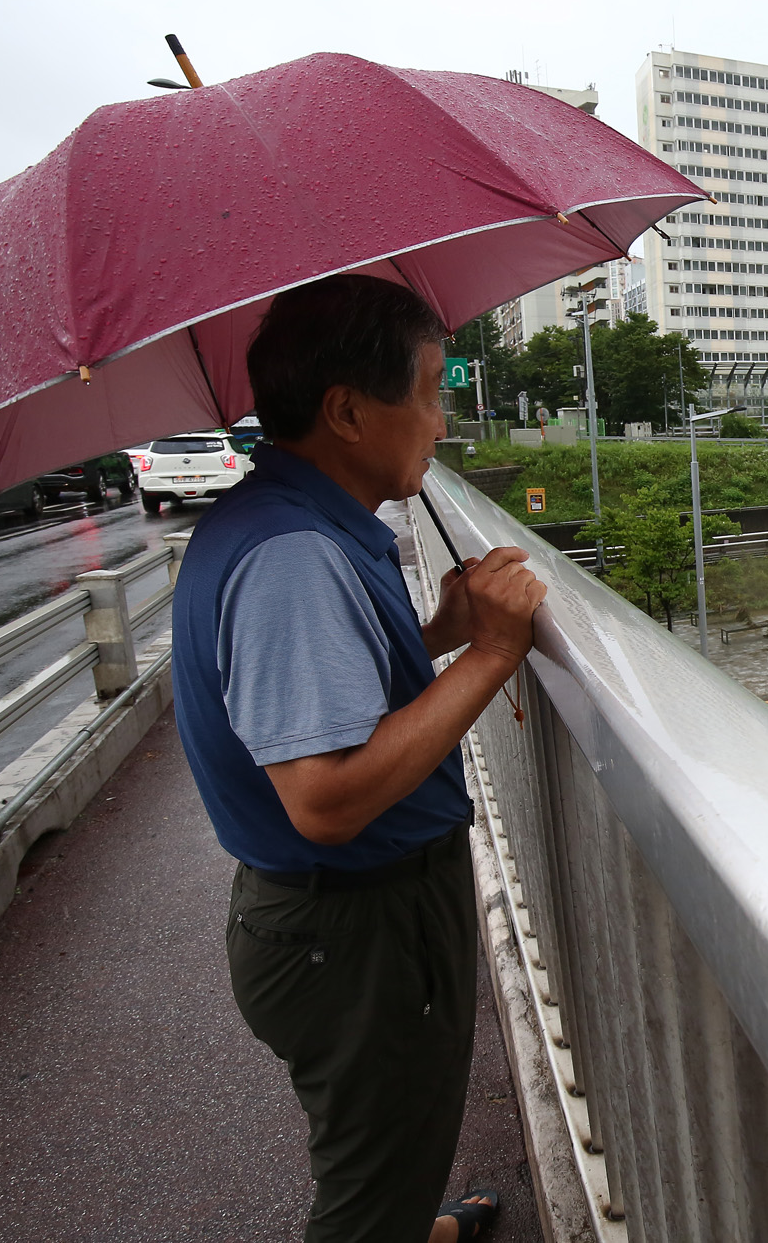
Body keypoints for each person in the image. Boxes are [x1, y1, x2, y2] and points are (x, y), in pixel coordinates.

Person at [172, 275, 547, 1242]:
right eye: (428, 391)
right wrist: (495, 652)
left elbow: (330, 699)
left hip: (337, 925)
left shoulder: (284, 523)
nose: (442, 415)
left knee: (383, 1139)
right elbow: (328, 798)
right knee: (365, 1192)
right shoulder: (294, 557)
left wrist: (433, 634)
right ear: (347, 409)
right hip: (354, 930)